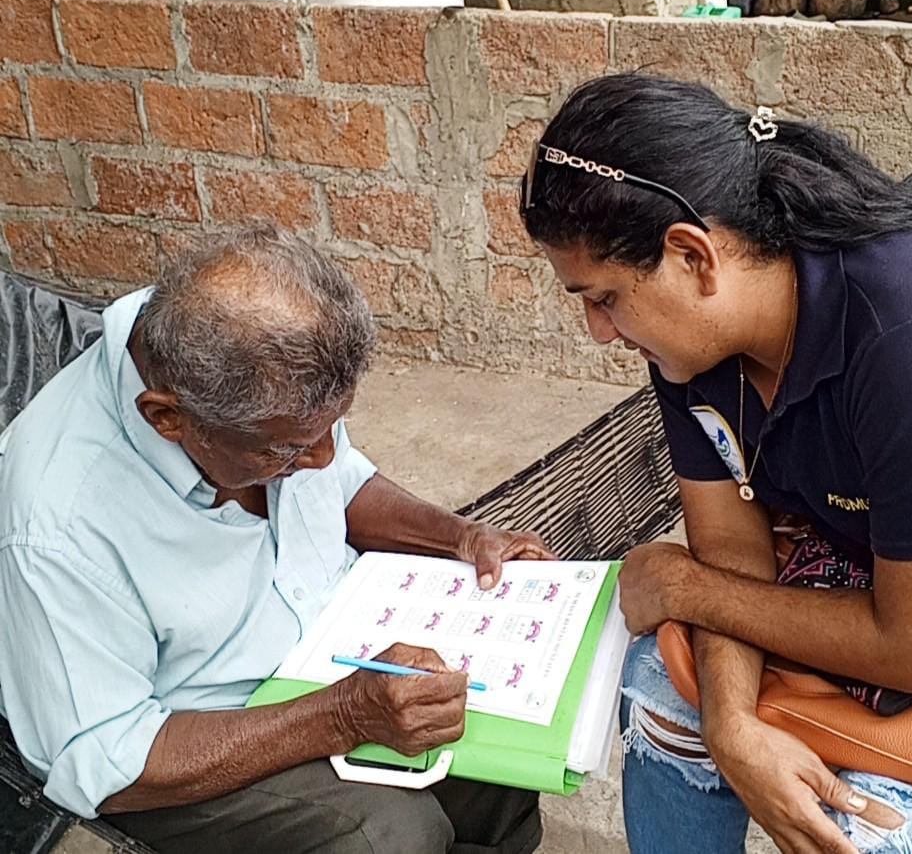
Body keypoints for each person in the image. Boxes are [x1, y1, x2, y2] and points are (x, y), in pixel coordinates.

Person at [519, 72, 912, 854]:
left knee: (861, 830)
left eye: (604, 297)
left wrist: (684, 586)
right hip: (868, 577)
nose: (598, 330)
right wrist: (731, 727)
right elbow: (732, 547)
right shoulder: (695, 345)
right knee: (661, 697)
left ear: (692, 255)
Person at [0, 223, 548, 854]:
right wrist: (341, 716)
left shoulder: (253, 370)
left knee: (499, 763)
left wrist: (459, 537)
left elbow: (342, 479)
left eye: (330, 429)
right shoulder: (56, 523)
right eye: (285, 450)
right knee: (385, 835)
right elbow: (109, 757)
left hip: (328, 656)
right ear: (168, 418)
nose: (321, 458)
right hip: (192, 734)